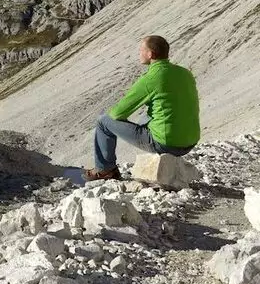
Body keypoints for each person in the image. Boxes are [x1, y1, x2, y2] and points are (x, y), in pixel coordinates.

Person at [83, 35, 200, 181]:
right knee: (147, 117)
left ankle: (105, 169)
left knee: (103, 121)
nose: (139, 53)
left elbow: (118, 113)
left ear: (150, 54)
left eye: (141, 50)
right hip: (190, 141)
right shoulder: (185, 73)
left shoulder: (151, 78)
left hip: (167, 144)